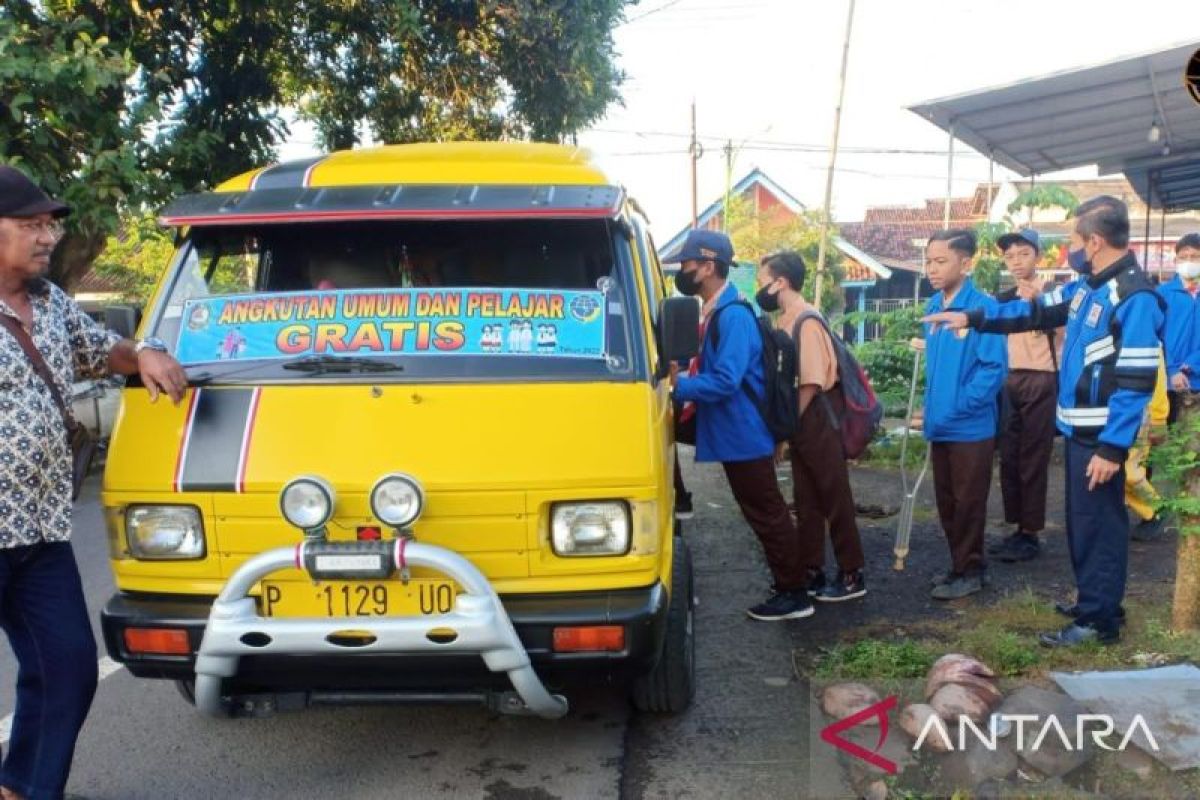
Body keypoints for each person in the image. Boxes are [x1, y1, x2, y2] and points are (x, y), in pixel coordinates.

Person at [0, 165, 187, 800]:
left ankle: (25, 789)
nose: (47, 237)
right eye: (30, 225)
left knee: (68, 671)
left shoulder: (52, 305)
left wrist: (146, 354)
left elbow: (103, 348)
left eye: (50, 224)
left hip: (40, 530)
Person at [925, 196, 1165, 647]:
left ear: (1094, 241)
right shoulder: (1086, 286)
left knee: (1099, 526)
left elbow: (1136, 379)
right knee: (1083, 522)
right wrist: (972, 317)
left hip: (1100, 438)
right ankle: (1095, 601)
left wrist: (1114, 448)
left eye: (1074, 238)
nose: (1070, 246)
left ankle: (1098, 623)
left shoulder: (1134, 297)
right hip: (1078, 430)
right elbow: (1028, 311)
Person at [665, 230, 813, 621]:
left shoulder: (732, 316)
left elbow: (727, 380)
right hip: (735, 432)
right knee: (764, 511)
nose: (683, 272)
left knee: (767, 513)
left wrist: (677, 387)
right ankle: (791, 583)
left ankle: (794, 593)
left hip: (743, 433)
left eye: (687, 265)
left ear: (708, 266)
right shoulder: (719, 310)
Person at [754, 251, 866, 602]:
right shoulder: (785, 320)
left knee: (833, 495)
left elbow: (812, 381)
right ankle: (813, 569)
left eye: (762, 282)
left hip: (816, 415)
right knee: (806, 499)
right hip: (802, 418)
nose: (761, 290)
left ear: (780, 282)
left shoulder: (807, 320)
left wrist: (787, 425)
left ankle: (852, 573)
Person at [918, 229, 1008, 600]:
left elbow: (993, 370)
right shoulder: (933, 307)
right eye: (928, 262)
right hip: (940, 423)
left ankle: (969, 569)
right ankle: (964, 564)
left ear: (966, 263)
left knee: (968, 501)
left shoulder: (982, 309)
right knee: (947, 501)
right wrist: (933, 407)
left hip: (970, 426)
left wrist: (959, 404)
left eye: (941, 261)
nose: (932, 270)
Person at [990, 229, 1061, 563]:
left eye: (1023, 254)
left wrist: (1039, 301)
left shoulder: (1055, 295)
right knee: (1009, 455)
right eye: (1010, 255)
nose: (1016, 261)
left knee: (1033, 458)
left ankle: (1031, 533)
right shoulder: (1004, 301)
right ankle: (1016, 525)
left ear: (1039, 257)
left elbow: (1068, 333)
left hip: (1042, 381)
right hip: (1009, 381)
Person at [1125, 356, 1169, 541]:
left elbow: (1159, 382)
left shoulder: (1147, 337)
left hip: (1141, 418)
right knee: (1118, 474)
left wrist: (1158, 419)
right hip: (1122, 416)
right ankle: (1151, 510)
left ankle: (1156, 508)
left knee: (1130, 473)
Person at [1160, 233, 1200, 424]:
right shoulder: (1162, 294)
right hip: (1166, 381)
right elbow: (1155, 337)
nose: (1189, 261)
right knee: (1164, 440)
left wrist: (1192, 363)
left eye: (1195, 257)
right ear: (1176, 260)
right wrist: (1172, 369)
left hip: (1197, 379)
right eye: (1184, 257)